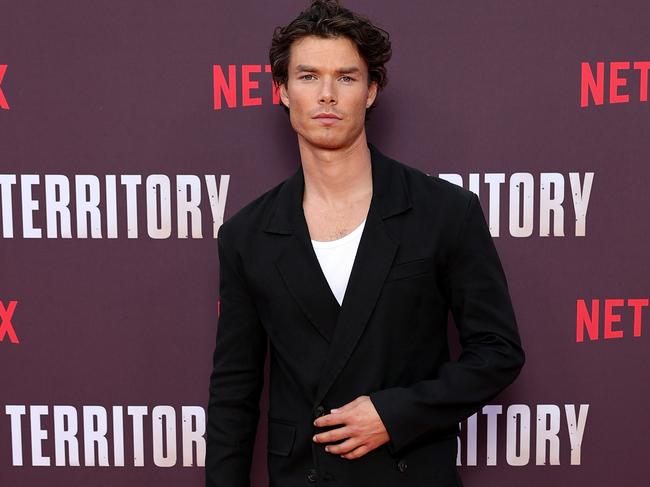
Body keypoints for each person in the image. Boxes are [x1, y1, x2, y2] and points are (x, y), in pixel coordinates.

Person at [206, 1, 525, 486]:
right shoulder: (246, 235)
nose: (327, 95)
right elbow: (235, 392)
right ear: (282, 91)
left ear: (372, 91)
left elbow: (498, 352)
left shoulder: (443, 212)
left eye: (347, 78)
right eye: (309, 76)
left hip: (411, 472)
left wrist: (395, 414)